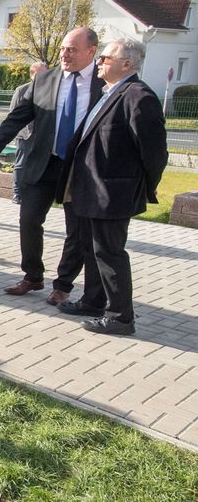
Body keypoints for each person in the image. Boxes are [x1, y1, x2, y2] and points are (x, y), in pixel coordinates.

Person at [0, 27, 104, 304]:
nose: (64, 54)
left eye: (71, 49)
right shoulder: (45, 80)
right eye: (62, 48)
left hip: (80, 169)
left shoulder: (104, 83)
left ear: (91, 51)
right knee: (29, 220)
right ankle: (33, 276)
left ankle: (63, 285)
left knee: (78, 230)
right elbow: (17, 117)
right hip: (44, 163)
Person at [55, 39, 167, 336]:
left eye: (105, 57)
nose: (100, 61)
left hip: (113, 193)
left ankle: (121, 317)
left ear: (127, 64)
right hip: (91, 189)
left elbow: (155, 153)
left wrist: (140, 186)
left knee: (110, 253)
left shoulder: (139, 97)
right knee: (92, 250)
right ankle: (93, 301)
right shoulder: (109, 93)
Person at [10, 62, 48, 204]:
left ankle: (34, 193)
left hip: (43, 134)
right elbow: (13, 114)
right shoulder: (22, 90)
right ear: (32, 75)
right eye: (40, 74)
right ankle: (17, 193)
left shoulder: (50, 90)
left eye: (46, 73)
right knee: (21, 164)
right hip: (25, 133)